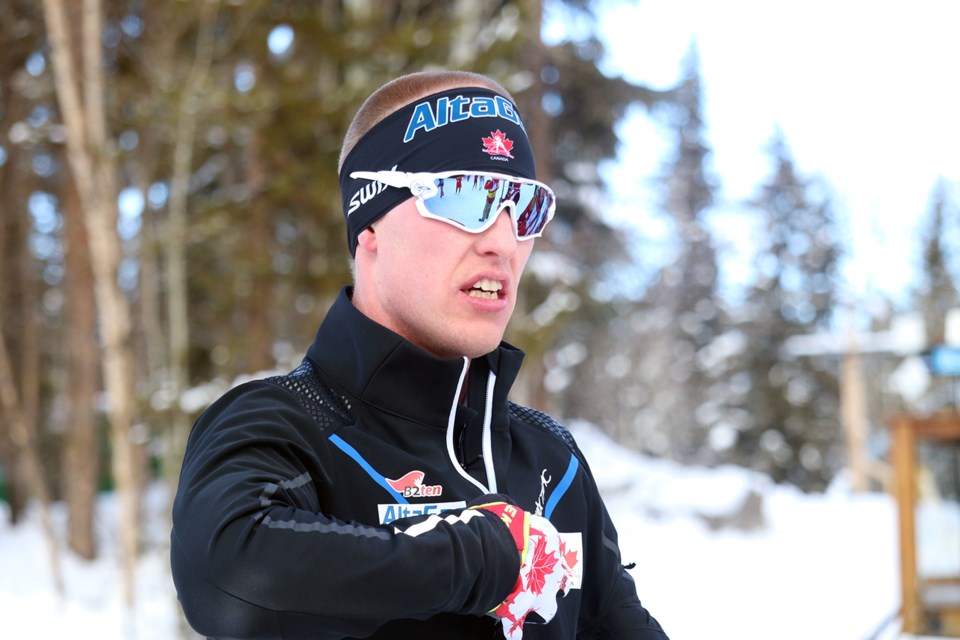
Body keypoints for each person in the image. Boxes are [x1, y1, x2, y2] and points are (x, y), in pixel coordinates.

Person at [170, 69, 668, 640]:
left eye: (523, 207)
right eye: (466, 197)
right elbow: (231, 573)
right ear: (370, 227)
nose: (503, 242)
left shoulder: (550, 462)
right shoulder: (285, 425)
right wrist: (484, 557)